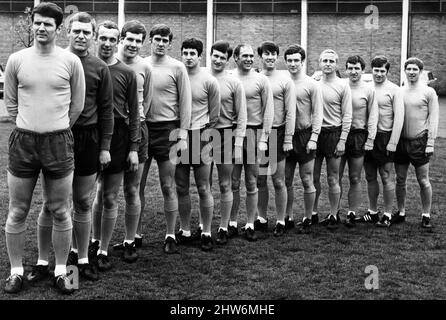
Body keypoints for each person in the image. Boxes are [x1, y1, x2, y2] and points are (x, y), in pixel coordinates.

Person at [3, 2, 85, 294]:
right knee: (18, 210)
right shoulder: (16, 59)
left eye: (47, 24)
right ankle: (16, 272)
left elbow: (77, 105)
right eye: (37, 23)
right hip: (23, 142)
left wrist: (55, 127)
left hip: (58, 142)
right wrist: (28, 124)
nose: (41, 28)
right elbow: (11, 103)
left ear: (57, 28)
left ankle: (62, 271)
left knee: (60, 210)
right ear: (32, 24)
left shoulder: (70, 61)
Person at [28, 12, 113, 284]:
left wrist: (104, 147)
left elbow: (106, 111)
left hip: (87, 139)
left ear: (93, 35)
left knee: (83, 202)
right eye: (76, 31)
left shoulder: (100, 67)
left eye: (86, 32)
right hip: (55, 137)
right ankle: (43, 262)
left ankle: (82, 260)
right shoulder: (55, 60)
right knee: (51, 204)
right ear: (66, 31)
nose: (81, 36)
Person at [90, 21, 140, 270]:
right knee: (87, 195)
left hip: (118, 134)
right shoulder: (82, 64)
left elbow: (135, 113)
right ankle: (91, 240)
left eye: (112, 39)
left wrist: (133, 148)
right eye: (103, 38)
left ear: (118, 41)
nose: (107, 43)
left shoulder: (127, 73)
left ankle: (103, 249)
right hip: (88, 133)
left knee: (110, 195)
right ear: (95, 38)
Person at [140, 24, 191, 254]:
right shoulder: (140, 64)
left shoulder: (177, 67)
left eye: (165, 40)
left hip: (168, 130)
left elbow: (185, 103)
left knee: (167, 185)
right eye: (157, 39)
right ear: (150, 40)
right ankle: (135, 234)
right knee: (135, 186)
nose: (161, 43)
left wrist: (183, 135)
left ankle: (170, 234)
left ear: (170, 43)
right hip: (142, 129)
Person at [111, 20, 152, 261]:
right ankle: (97, 242)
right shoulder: (108, 64)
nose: (134, 44)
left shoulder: (144, 67)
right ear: (121, 39)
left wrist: (135, 126)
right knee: (104, 190)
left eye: (138, 41)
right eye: (130, 39)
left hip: (137, 129)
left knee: (132, 188)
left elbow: (145, 101)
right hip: (112, 131)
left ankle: (130, 239)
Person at [174, 38, 220, 251]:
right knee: (181, 186)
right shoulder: (176, 75)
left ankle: (207, 231)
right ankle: (184, 230)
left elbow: (215, 114)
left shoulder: (209, 80)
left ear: (200, 56)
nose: (189, 57)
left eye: (193, 53)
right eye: (186, 53)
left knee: (203, 187)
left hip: (201, 135)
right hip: (178, 135)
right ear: (181, 53)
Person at [229, 44, 274, 241]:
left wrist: (264, 138)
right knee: (232, 181)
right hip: (231, 133)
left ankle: (249, 223)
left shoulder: (261, 80)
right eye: (244, 55)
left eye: (250, 55)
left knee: (252, 181)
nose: (248, 58)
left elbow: (268, 111)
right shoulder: (229, 77)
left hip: (254, 134)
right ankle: (230, 223)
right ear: (235, 58)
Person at [207, 40, 247, 245]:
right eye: (215, 56)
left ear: (228, 59)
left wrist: (238, 143)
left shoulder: (233, 82)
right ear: (210, 55)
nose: (218, 60)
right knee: (203, 184)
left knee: (226, 183)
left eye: (223, 57)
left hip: (226, 135)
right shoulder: (201, 76)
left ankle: (223, 226)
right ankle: (204, 227)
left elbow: (241, 116)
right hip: (202, 135)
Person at [255, 41, 296, 237]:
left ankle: (281, 220)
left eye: (273, 54)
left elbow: (290, 112)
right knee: (260, 179)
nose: (270, 57)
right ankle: (261, 218)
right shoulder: (256, 77)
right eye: (266, 54)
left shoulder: (285, 80)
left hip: (278, 134)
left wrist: (288, 138)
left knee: (279, 180)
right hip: (260, 134)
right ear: (260, 56)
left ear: (277, 57)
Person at [393, 57, 439, 230]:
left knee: (423, 180)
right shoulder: (400, 91)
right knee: (400, 180)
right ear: (405, 71)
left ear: (420, 72)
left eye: (415, 69)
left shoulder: (428, 92)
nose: (411, 72)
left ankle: (426, 215)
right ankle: (401, 211)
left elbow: (433, 118)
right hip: (400, 143)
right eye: (409, 69)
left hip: (420, 142)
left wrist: (430, 142)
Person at [284, 44, 323, 232]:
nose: (293, 64)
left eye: (296, 60)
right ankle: (288, 216)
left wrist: (314, 137)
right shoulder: (282, 82)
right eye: (289, 60)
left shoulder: (311, 84)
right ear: (285, 61)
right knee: (286, 179)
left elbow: (317, 113)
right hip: (285, 136)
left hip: (305, 135)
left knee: (307, 179)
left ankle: (308, 217)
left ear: (302, 62)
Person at [361, 55, 404, 226]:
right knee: (370, 175)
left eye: (382, 71)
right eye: (376, 71)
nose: (378, 74)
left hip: (385, 136)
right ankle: (372, 212)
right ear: (372, 70)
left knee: (386, 176)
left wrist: (392, 142)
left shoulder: (394, 90)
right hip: (368, 136)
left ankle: (387, 214)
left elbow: (399, 118)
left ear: (387, 71)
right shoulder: (366, 87)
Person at [312, 49, 352, 229]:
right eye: (324, 60)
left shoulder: (343, 85)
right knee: (312, 177)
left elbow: (347, 115)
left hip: (333, 134)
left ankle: (334, 214)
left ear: (336, 64)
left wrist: (342, 139)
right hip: (314, 134)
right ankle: (312, 213)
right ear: (319, 62)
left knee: (332, 178)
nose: (327, 64)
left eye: (331, 61)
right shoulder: (313, 83)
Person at [339, 55, 378, 227]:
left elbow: (373, 116)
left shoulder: (368, 90)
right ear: (346, 69)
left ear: (362, 70)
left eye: (357, 68)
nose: (353, 71)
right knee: (336, 177)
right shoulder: (340, 86)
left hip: (358, 136)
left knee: (354, 177)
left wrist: (370, 139)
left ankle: (352, 212)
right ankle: (334, 213)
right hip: (339, 135)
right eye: (350, 68)